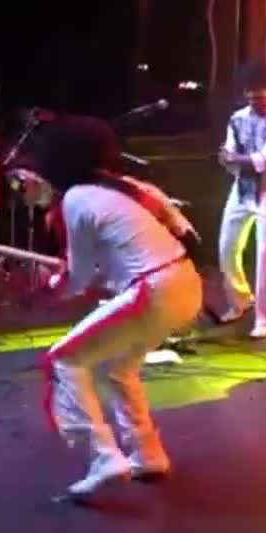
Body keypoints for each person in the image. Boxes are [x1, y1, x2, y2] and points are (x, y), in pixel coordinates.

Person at [33, 116, 204, 500]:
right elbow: (189, 235)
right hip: (186, 286)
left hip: (152, 291)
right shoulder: (136, 187)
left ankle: (103, 456)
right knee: (120, 369)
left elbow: (77, 280)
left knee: (64, 359)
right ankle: (148, 454)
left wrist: (51, 284)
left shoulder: (77, 198)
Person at [216, 60, 266, 339]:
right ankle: (240, 301)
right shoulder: (237, 118)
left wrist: (240, 159)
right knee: (227, 247)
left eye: (260, 90)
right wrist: (242, 161)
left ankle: (265, 318)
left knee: (265, 254)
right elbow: (228, 159)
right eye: (250, 91)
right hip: (241, 190)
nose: (255, 96)